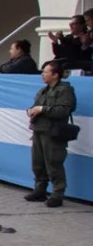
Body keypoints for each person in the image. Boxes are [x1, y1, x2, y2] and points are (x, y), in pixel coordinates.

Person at [26, 61, 76, 207]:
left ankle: (57, 194)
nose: (43, 74)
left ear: (55, 75)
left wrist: (42, 109)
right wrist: (31, 110)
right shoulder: (43, 90)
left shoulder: (65, 90)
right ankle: (40, 190)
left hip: (53, 132)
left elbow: (63, 110)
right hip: (39, 130)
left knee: (54, 164)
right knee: (38, 164)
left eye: (46, 72)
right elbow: (34, 105)